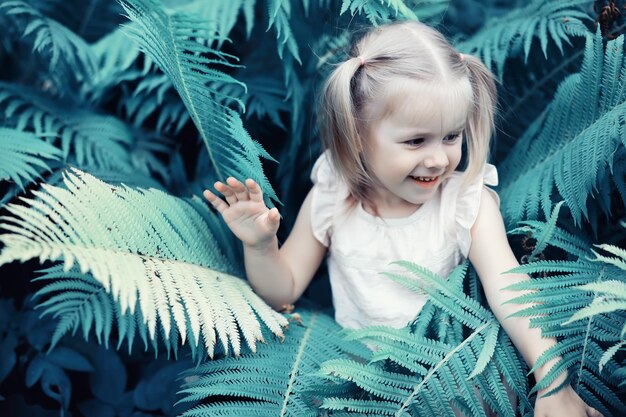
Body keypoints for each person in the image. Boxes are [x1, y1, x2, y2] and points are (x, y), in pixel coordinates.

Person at [203, 20, 602, 417]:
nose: (438, 158)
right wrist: (259, 246)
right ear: (357, 135)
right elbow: (282, 290)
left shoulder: (464, 203)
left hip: (451, 392)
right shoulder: (332, 194)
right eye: (415, 141)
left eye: (451, 136)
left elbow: (511, 291)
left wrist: (555, 383)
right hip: (361, 393)